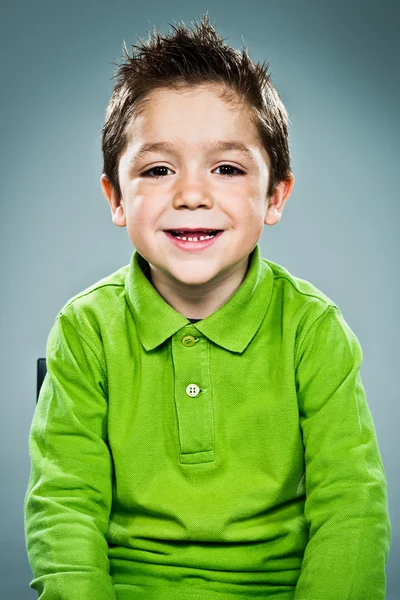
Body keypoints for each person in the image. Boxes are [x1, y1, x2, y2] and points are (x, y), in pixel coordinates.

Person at [24, 12, 391, 600]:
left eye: (226, 168)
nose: (191, 195)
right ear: (115, 198)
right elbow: (64, 507)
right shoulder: (84, 330)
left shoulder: (312, 329)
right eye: (158, 168)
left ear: (275, 195)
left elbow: (351, 505)